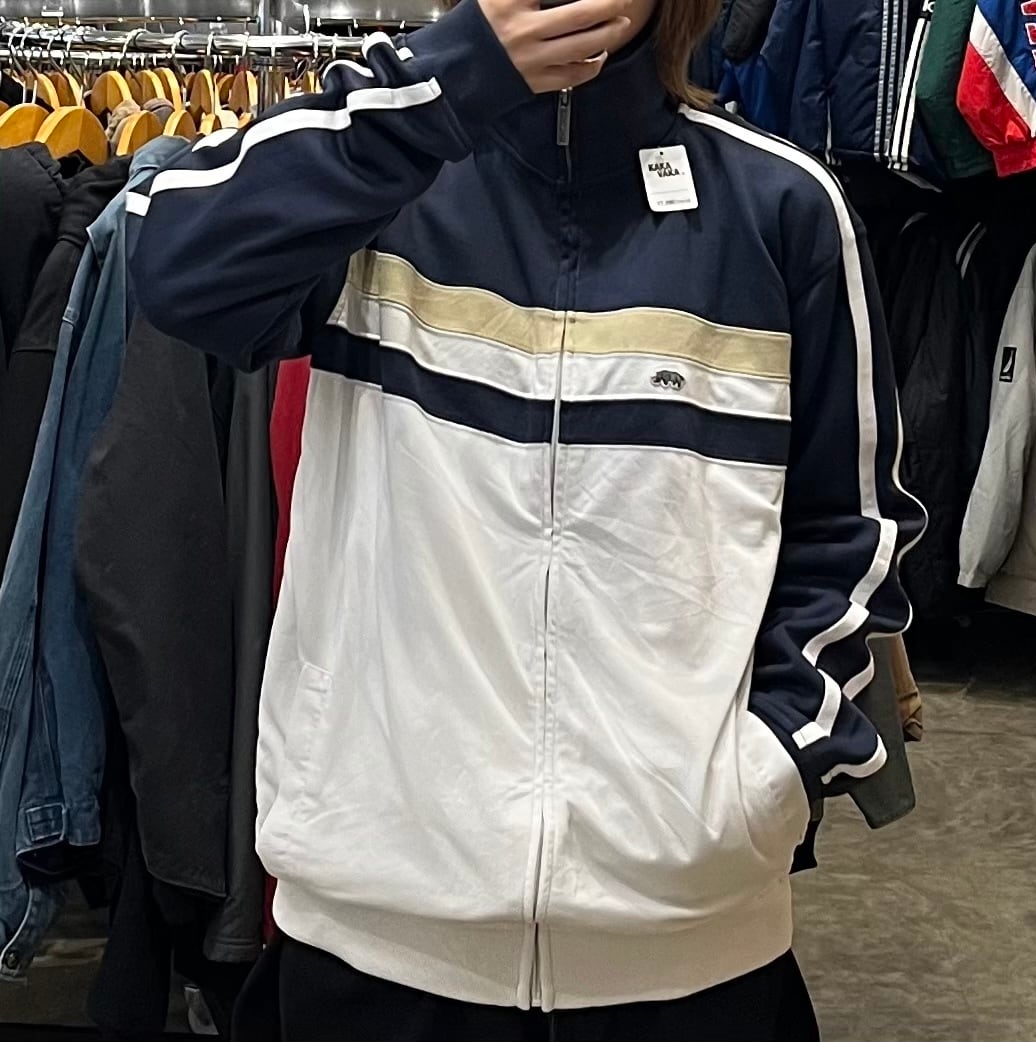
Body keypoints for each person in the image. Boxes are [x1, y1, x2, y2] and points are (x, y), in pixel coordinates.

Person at [129, 0, 927, 1037]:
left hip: (692, 945)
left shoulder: (782, 206)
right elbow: (176, 266)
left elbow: (850, 532)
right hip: (374, 934)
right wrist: (447, 82)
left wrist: (765, 773)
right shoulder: (377, 183)